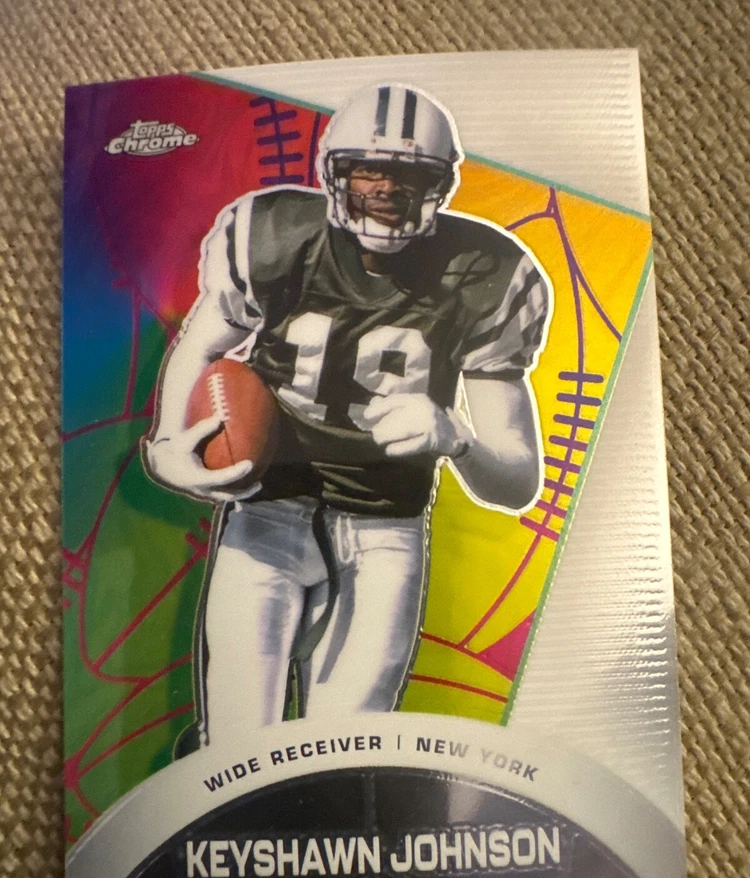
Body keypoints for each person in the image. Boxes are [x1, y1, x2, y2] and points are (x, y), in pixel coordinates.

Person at [143, 83, 550, 754]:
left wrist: (457, 437)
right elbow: (203, 343)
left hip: (386, 526)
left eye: (409, 175)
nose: (386, 190)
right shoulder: (276, 236)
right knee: (237, 746)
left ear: (441, 184)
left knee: (345, 749)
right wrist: (167, 443)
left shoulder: (489, 273)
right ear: (333, 172)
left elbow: (516, 481)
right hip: (267, 508)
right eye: (368, 171)